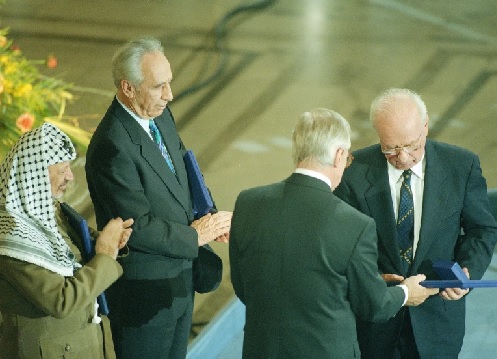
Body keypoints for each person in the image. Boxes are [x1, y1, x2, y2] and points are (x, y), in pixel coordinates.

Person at [229, 108, 438, 359]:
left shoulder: (249, 202)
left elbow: (244, 286)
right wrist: (406, 292)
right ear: (339, 155)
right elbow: (374, 306)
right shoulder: (354, 224)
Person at [85, 36, 232, 359]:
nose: (170, 95)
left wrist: (210, 216)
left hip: (179, 282)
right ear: (128, 88)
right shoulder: (112, 147)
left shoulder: (160, 116)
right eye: (158, 87)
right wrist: (195, 235)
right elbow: (138, 226)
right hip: (145, 298)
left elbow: (185, 171)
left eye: (169, 83)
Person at [334, 88, 497, 358]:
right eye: (390, 149)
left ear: (426, 127)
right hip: (375, 324)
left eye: (411, 146)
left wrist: (467, 272)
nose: (403, 158)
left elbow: (482, 229)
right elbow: (340, 242)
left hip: (438, 324)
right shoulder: (353, 172)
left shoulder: (461, 166)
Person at [0, 123, 133, 359]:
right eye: (62, 170)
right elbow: (61, 301)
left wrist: (112, 243)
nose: (70, 177)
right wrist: (104, 254)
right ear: (35, 174)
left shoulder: (54, 211)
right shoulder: (11, 237)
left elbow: (80, 252)